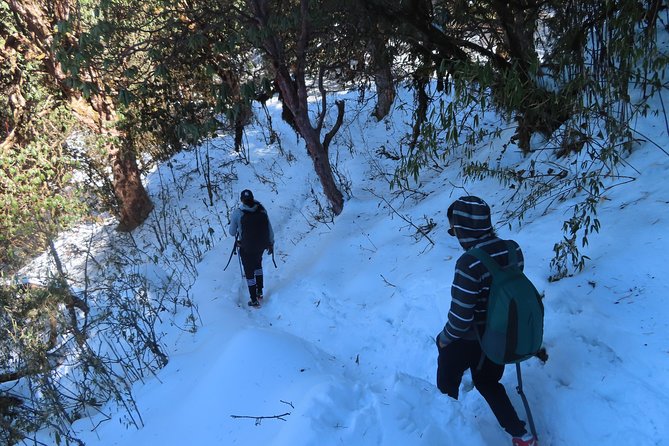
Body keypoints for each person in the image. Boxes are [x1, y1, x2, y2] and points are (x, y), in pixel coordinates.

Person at [436, 196, 537, 446]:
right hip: (501, 338)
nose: (455, 236)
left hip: (471, 340)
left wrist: (443, 340)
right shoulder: (513, 249)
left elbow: (460, 319)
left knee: (446, 388)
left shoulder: (469, 263)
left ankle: (445, 431)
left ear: (463, 229)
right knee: (488, 381)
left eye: (454, 230)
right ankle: (522, 436)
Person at [229, 189, 274, 307]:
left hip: (246, 247)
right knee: (258, 265)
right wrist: (271, 242)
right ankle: (260, 291)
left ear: (241, 200)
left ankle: (254, 299)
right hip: (261, 245)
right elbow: (269, 228)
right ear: (253, 198)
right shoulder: (261, 209)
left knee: (249, 272)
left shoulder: (238, 213)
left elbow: (232, 232)